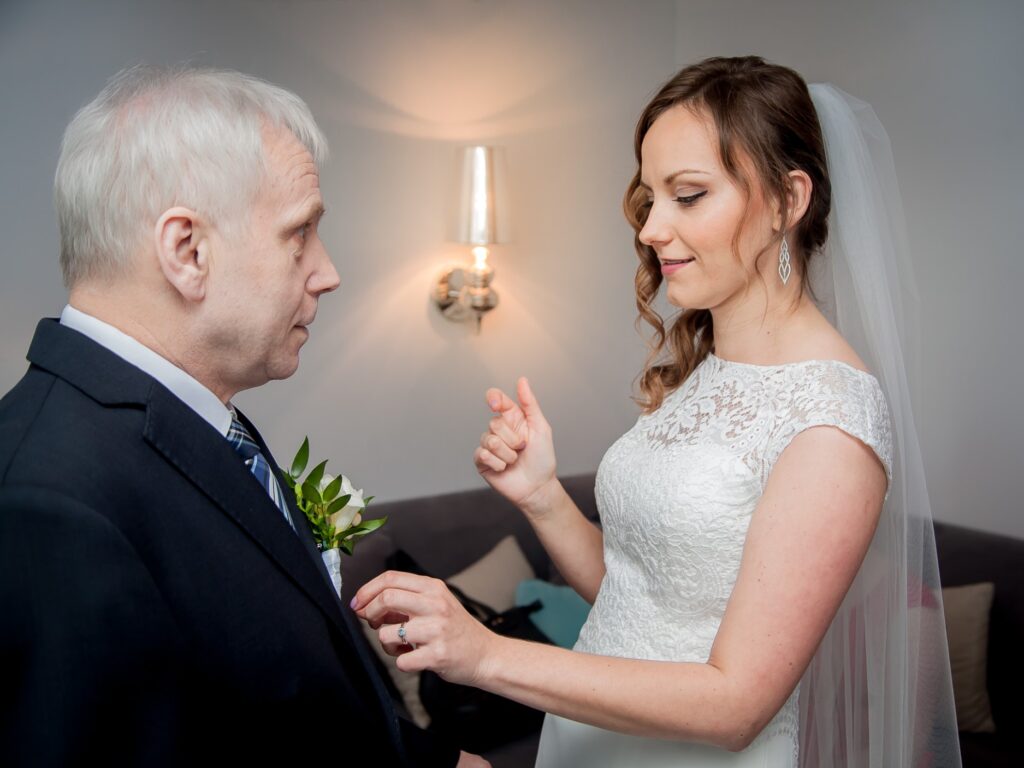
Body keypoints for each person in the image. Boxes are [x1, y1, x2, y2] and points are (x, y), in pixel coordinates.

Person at [353, 57, 961, 766]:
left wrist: (486, 653)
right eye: (650, 199)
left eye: (688, 196)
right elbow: (640, 598)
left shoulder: (832, 419)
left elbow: (736, 706)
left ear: (787, 201)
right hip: (586, 743)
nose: (650, 228)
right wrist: (542, 496)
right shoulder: (707, 372)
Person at [0, 64, 486, 768]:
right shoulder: (47, 504)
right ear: (187, 251)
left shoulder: (202, 418)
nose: (327, 272)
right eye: (300, 233)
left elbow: (273, 710)